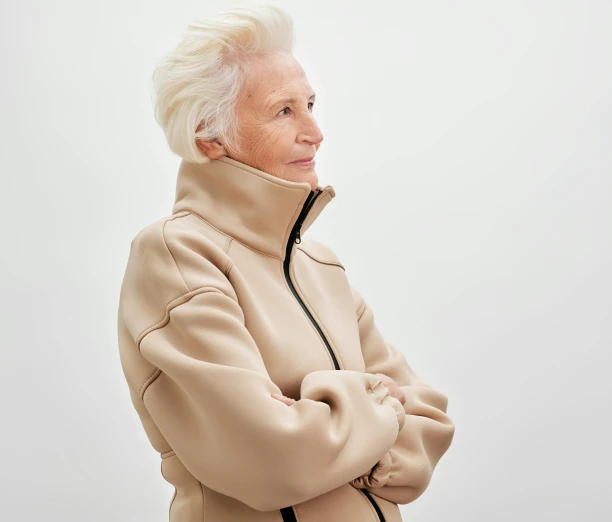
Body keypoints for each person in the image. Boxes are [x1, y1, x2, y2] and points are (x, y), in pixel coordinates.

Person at [116, 4, 455, 522]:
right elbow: (269, 455)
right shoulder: (176, 254)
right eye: (284, 110)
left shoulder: (321, 265)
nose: (315, 131)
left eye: (311, 104)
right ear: (210, 135)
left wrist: (328, 420)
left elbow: (428, 420)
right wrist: (376, 409)